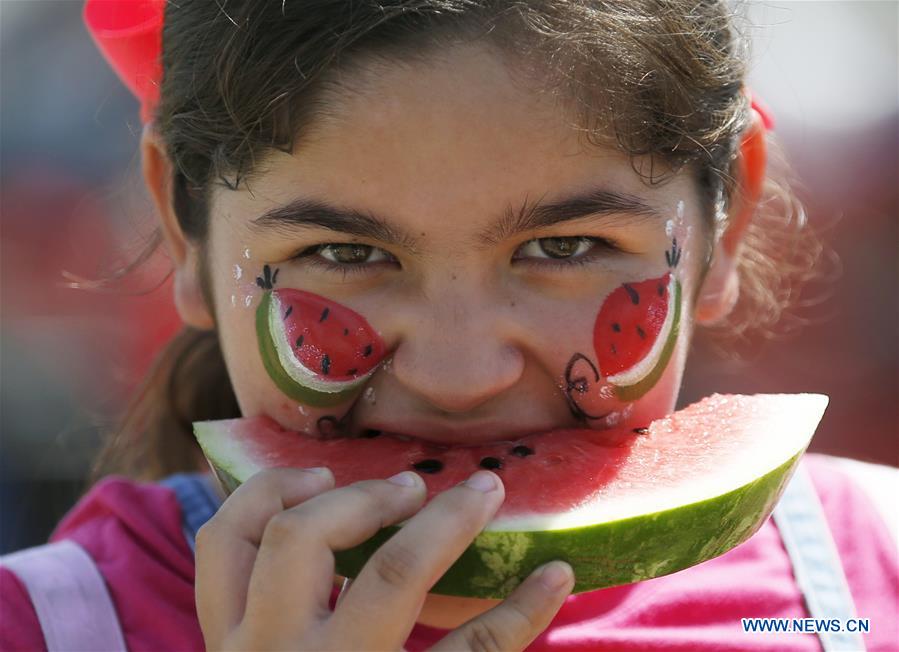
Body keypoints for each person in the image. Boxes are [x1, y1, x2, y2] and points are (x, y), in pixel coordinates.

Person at [2, 1, 896, 650]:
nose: (459, 373)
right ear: (184, 233)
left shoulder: (870, 582)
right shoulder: (46, 627)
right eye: (344, 254)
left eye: (568, 244)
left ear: (724, 221)